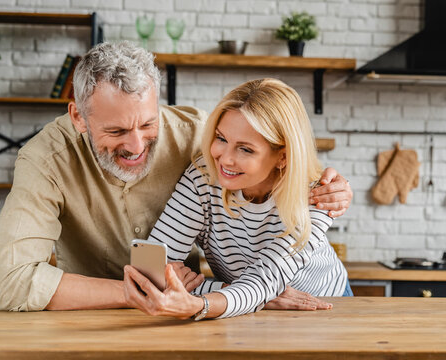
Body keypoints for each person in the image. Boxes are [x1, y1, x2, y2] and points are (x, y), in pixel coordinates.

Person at [0, 42, 353, 312]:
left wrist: (336, 191)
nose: (136, 146)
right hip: (113, 312)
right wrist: (158, 291)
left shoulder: (200, 138)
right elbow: (13, 284)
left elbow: (284, 158)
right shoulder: (45, 160)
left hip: (320, 305)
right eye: (116, 130)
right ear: (79, 117)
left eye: (149, 123)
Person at [123, 78, 351, 320]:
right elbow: (150, 272)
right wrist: (241, 295)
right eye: (221, 138)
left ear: (283, 157)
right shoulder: (203, 176)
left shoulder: (315, 196)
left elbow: (265, 279)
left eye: (245, 149)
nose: (225, 159)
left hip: (323, 306)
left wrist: (198, 303)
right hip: (238, 307)